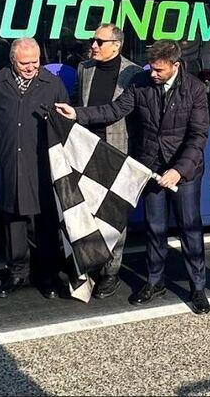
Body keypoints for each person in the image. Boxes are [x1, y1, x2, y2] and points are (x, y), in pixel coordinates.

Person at [57, 40, 210, 314]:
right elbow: (114, 110)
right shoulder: (140, 82)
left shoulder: (195, 89)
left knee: (189, 228)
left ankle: (197, 287)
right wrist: (77, 114)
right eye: (152, 68)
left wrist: (178, 171)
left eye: (160, 71)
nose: (154, 74)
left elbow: (198, 137)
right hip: (150, 168)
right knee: (155, 227)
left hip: (183, 171)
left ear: (176, 66)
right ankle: (154, 282)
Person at [0, 37, 70, 299]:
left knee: (44, 222)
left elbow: (65, 127)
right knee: (13, 220)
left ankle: (48, 275)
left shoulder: (52, 84)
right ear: (12, 61)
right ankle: (17, 273)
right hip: (10, 163)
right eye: (24, 63)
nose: (31, 68)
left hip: (42, 166)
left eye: (35, 62)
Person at [74, 23, 142, 298]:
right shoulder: (84, 68)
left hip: (117, 152)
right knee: (87, 213)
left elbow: (130, 117)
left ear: (117, 45)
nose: (94, 45)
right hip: (86, 152)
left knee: (114, 216)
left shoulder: (133, 73)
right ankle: (90, 265)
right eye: (93, 40)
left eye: (100, 42)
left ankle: (110, 273)